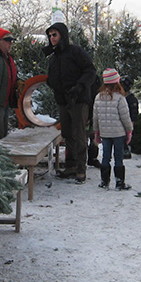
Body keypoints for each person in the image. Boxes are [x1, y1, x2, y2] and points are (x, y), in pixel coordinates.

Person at [44, 22, 98, 184]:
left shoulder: (75, 52)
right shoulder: (54, 57)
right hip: (63, 101)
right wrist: (52, 83)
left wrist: (79, 86)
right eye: (50, 35)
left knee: (79, 134)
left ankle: (81, 169)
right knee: (67, 134)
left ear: (62, 35)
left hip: (78, 99)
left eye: (55, 34)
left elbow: (90, 70)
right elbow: (53, 77)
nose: (52, 38)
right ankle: (71, 166)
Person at [93, 68, 134, 190]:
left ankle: (104, 181)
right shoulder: (120, 98)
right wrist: (129, 130)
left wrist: (96, 131)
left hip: (105, 134)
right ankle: (119, 182)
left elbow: (95, 117)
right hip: (118, 134)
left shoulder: (98, 97)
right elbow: (125, 117)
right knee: (118, 158)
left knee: (106, 157)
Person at [120, 74, 139, 160]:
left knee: (127, 135)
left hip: (128, 121)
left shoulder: (132, 99)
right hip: (119, 122)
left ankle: (126, 148)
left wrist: (132, 120)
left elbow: (134, 112)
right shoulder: (119, 98)